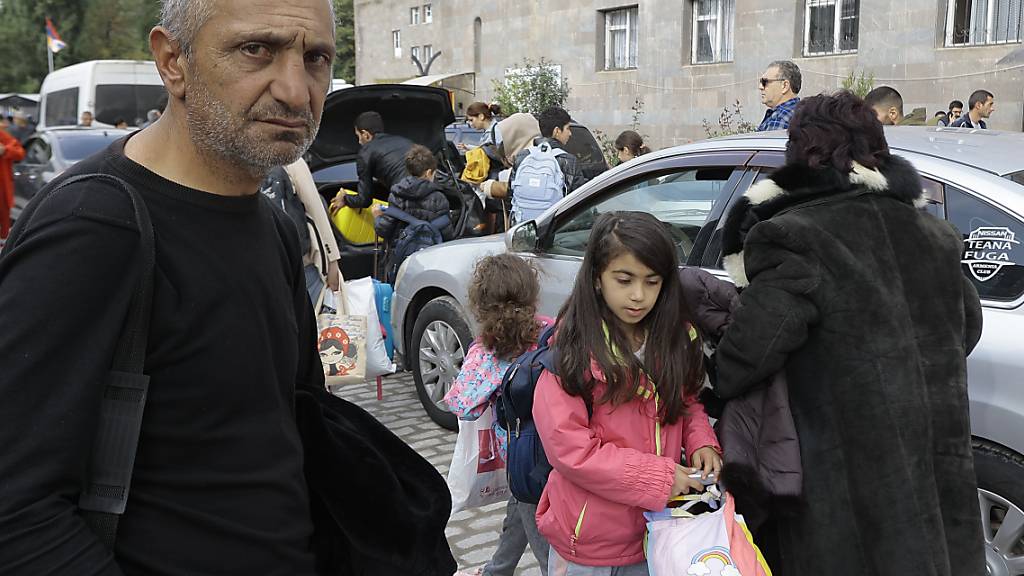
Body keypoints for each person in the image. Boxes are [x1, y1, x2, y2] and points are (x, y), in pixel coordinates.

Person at [0, 0, 340, 573]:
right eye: (256, 49)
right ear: (171, 60)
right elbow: (16, 512)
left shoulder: (275, 229)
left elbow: (289, 431)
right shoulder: (95, 227)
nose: (295, 90)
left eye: (316, 58)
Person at [714, 91, 985, 576]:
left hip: (846, 489)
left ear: (801, 154)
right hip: (935, 466)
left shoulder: (794, 235)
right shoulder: (933, 235)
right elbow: (967, 326)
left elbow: (749, 352)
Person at [534, 210, 722, 574]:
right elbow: (570, 451)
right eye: (625, 280)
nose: (639, 296)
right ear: (598, 278)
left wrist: (701, 440)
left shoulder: (674, 339)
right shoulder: (570, 354)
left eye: (652, 282)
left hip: (662, 530)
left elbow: (685, 400)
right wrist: (660, 478)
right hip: (591, 544)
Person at [444, 254, 553, 576]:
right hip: (559, 447)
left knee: (543, 544)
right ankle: (497, 569)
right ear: (532, 295)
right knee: (517, 515)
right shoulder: (550, 331)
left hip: (523, 457)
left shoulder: (486, 353)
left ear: (480, 305)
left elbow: (462, 403)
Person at [262, 158, 342, 305]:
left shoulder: (236, 159)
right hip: (300, 264)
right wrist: (332, 261)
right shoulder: (289, 159)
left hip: (260, 269)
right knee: (309, 321)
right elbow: (316, 210)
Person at [508, 106, 588, 223]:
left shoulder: (523, 156)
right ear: (556, 131)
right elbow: (579, 202)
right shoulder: (568, 161)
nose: (570, 133)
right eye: (567, 128)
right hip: (551, 228)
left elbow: (510, 193)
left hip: (524, 226)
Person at [331, 110, 414, 212]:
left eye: (358, 136)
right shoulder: (404, 141)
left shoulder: (365, 152)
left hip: (409, 202)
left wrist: (344, 198)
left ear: (366, 134)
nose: (359, 141)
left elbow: (364, 200)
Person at [372, 143, 454, 246]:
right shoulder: (439, 198)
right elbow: (447, 235)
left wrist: (377, 217)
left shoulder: (397, 195)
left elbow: (384, 230)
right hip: (429, 254)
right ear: (428, 173)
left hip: (403, 254)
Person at [756, 60, 802, 131]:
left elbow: (769, 142)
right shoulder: (802, 112)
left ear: (784, 86)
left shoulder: (781, 117)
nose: (760, 87)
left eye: (765, 82)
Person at [0, 126, 25, 241]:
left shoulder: (3, 136)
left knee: (4, 228)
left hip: (2, 190)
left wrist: (5, 150)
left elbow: (20, 153)